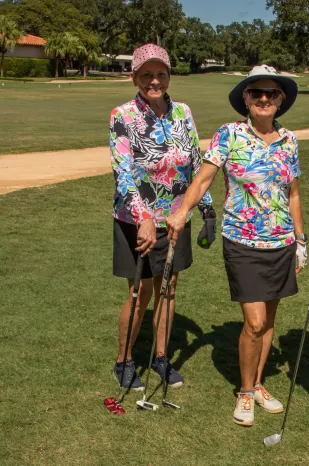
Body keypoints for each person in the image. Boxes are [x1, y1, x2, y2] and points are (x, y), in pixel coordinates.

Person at [166, 65, 305, 427]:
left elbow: (292, 194)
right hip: (242, 240)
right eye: (256, 92)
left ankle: (258, 384)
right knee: (254, 321)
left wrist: (300, 239)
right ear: (245, 98)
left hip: (281, 242)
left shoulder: (289, 141)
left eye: (271, 93)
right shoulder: (229, 134)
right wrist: (182, 211)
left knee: (270, 319)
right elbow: (204, 178)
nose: (263, 98)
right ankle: (244, 390)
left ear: (280, 100)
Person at [109, 43, 216, 393]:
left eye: (160, 74)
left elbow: (196, 164)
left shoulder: (182, 112)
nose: (154, 81)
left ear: (169, 75)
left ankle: (159, 357)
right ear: (134, 77)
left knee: (168, 290)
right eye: (146, 74)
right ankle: (123, 361)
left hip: (174, 219)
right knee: (139, 293)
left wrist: (207, 209)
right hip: (135, 220)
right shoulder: (122, 115)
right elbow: (122, 172)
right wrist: (142, 217)